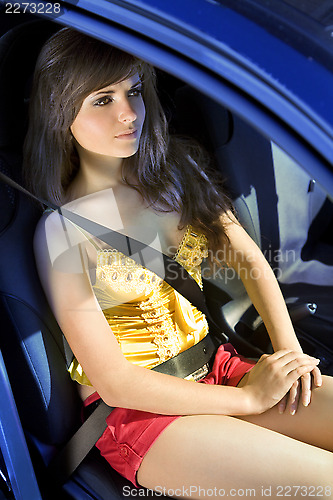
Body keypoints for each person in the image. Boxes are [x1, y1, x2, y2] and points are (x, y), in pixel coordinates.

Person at [24, 27, 333, 498]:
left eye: (132, 91)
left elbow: (248, 259)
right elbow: (117, 383)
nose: (129, 114)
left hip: (221, 368)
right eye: (101, 100)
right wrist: (248, 399)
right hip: (144, 418)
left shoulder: (174, 175)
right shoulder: (60, 231)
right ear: (60, 114)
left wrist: (288, 352)